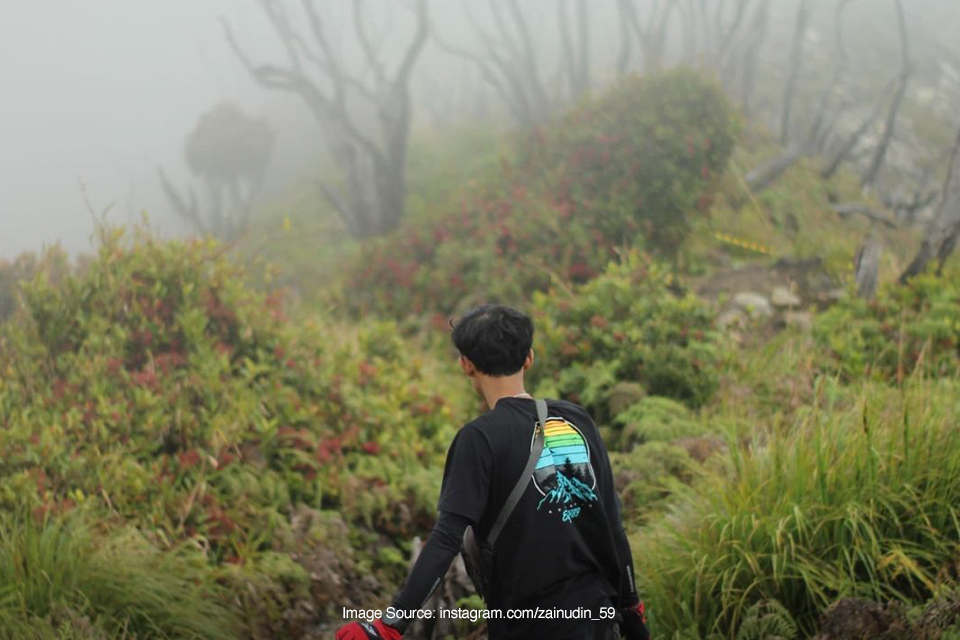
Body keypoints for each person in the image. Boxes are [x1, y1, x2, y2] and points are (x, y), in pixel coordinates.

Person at [336, 304, 649, 640]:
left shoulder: (479, 439)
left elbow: (446, 539)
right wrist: (631, 605)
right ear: (529, 357)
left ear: (466, 365)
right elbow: (612, 523)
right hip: (599, 618)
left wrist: (390, 625)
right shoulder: (578, 419)